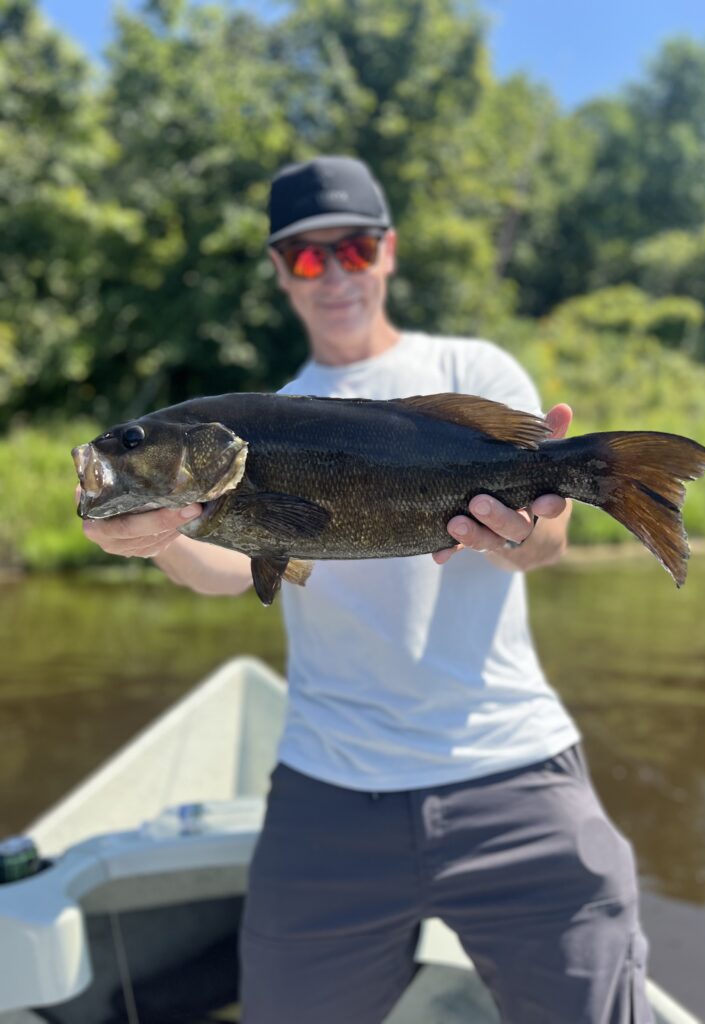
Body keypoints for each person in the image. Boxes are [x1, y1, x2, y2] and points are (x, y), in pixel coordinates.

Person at [82, 156, 653, 1023]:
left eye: (353, 249)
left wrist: (535, 524)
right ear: (280, 271)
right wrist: (156, 535)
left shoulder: (476, 367)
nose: (336, 273)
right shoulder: (261, 419)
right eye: (309, 259)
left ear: (387, 252)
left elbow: (544, 542)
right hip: (330, 784)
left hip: (511, 764)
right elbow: (241, 569)